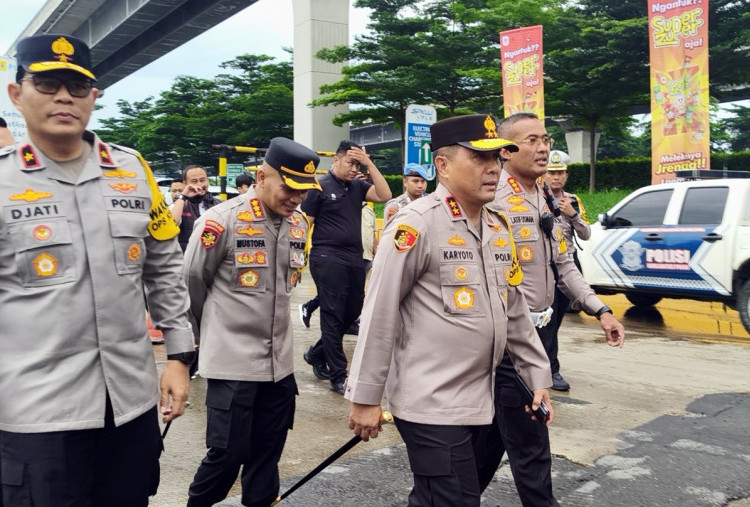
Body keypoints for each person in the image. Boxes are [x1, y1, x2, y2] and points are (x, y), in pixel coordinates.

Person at [0, 34, 194, 506]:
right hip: (36, 414)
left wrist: (178, 355)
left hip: (129, 404)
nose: (64, 97)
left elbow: (164, 266)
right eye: (47, 84)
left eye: (77, 86)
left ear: (94, 96)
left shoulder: (132, 171)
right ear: (15, 94)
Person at [345, 114, 553, 507]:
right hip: (431, 402)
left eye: (498, 159)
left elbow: (514, 311)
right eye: (479, 159)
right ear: (442, 165)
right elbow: (379, 311)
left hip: (481, 399)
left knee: (439, 498)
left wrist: (536, 373)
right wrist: (366, 397)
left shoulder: (496, 225)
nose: (493, 169)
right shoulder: (416, 225)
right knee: (457, 499)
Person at [477, 112, 625, 505]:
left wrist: (601, 310)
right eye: (531, 141)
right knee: (530, 436)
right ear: (506, 151)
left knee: (493, 435)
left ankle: (445, 497)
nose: (543, 147)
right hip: (510, 342)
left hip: (540, 334)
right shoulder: (493, 201)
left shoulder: (547, 197)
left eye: (545, 139)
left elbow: (563, 265)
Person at [183, 137, 320, 507]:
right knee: (226, 456)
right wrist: (200, 338)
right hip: (232, 364)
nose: (295, 198)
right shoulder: (221, 221)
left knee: (266, 458)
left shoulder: (297, 225)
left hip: (279, 366)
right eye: (289, 188)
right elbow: (192, 283)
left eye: (303, 192)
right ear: (262, 176)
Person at [299, 140, 391, 394]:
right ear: (335, 160)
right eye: (350, 163)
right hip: (327, 257)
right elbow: (305, 221)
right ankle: (338, 375)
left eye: (357, 164)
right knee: (332, 314)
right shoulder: (318, 187)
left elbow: (384, 195)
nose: (354, 169)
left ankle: (317, 353)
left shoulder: (357, 186)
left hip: (354, 258)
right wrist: (297, 257)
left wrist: (368, 163)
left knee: (352, 313)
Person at [542, 149, 592, 390]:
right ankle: (551, 369)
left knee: (559, 316)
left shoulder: (573, 200)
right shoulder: (534, 198)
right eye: (551, 173)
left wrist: (573, 215)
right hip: (544, 265)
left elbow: (586, 234)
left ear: (567, 175)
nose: (556, 178)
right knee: (547, 320)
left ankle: (547, 364)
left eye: (560, 172)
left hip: (569, 262)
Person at [171, 164, 222, 252]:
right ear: (185, 184)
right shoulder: (179, 205)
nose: (199, 184)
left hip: (214, 259)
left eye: (202, 180)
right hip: (187, 259)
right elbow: (171, 224)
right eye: (194, 181)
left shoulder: (221, 205)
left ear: (207, 180)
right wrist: (183, 196)